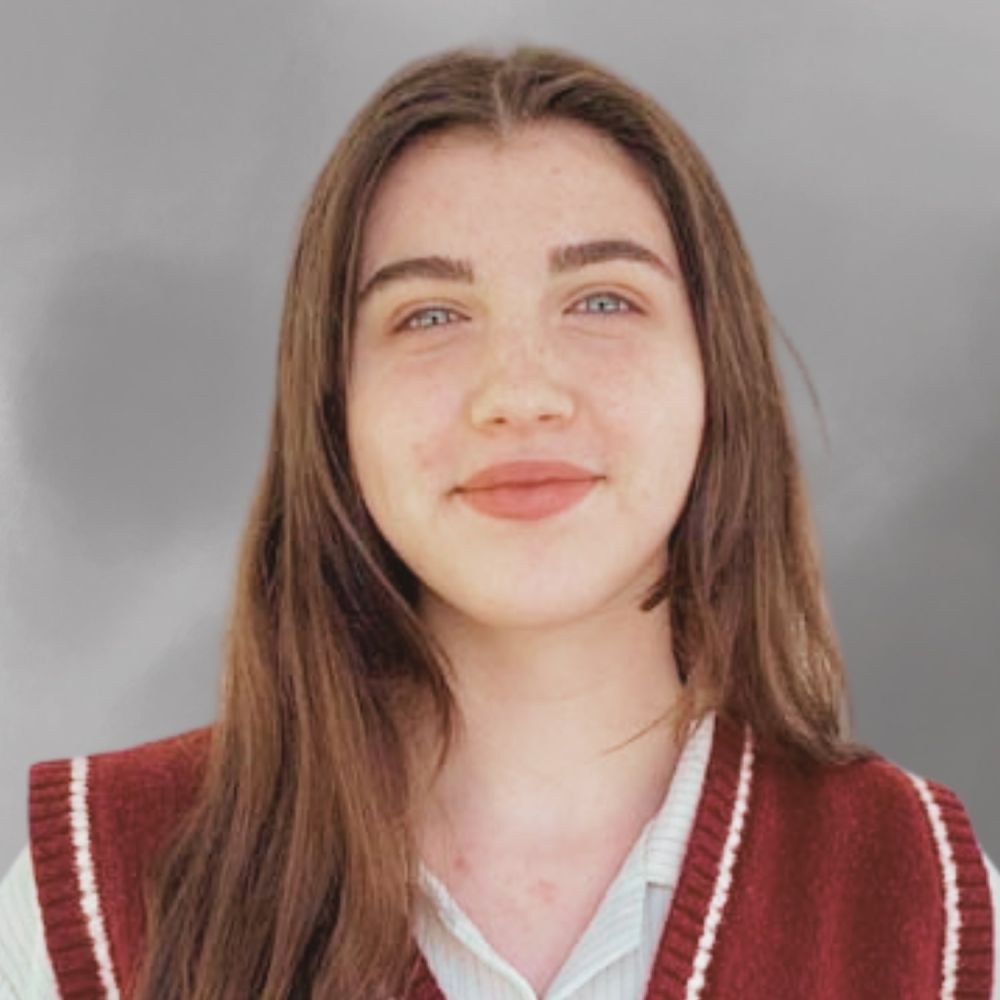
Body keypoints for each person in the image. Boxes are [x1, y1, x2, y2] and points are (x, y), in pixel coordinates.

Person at [0, 43, 996, 1000]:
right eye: (428, 315)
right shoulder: (86, 900)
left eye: (602, 300)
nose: (518, 394)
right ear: (333, 409)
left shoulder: (932, 905)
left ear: (715, 378)